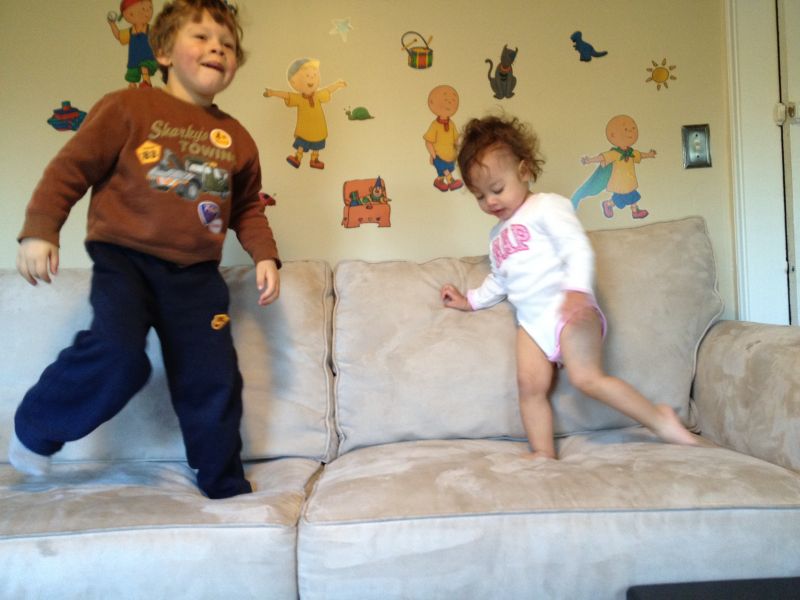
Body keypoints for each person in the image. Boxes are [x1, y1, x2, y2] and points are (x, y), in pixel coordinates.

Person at [10, 0, 280, 499]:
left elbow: (246, 206)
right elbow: (71, 168)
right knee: (118, 357)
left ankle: (223, 484)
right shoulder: (127, 108)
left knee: (214, 377)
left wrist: (264, 254)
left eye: (227, 44)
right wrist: (40, 230)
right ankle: (36, 427)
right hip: (125, 262)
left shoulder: (237, 138)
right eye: (201, 37)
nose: (217, 48)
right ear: (163, 52)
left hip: (197, 278)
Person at [440, 115, 701, 459]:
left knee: (586, 378)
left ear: (524, 170)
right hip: (532, 323)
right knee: (529, 386)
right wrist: (470, 300)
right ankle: (543, 453)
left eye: (497, 189)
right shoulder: (496, 235)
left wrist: (578, 290)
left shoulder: (547, 206)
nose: (490, 201)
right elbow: (500, 279)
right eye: (480, 196)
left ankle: (661, 419)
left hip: (570, 309)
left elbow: (576, 247)